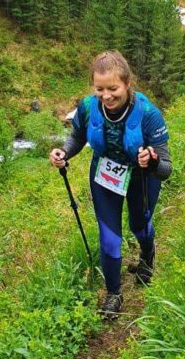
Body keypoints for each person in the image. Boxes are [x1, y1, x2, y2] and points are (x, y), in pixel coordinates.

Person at [49, 50, 172, 318]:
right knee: (109, 238)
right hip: (106, 175)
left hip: (141, 178)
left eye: (113, 88)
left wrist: (150, 161)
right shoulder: (86, 107)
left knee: (139, 226)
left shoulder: (149, 114)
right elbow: (77, 137)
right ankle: (113, 293)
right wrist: (64, 152)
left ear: (127, 84)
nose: (106, 96)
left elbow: (166, 169)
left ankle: (147, 256)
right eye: (100, 89)